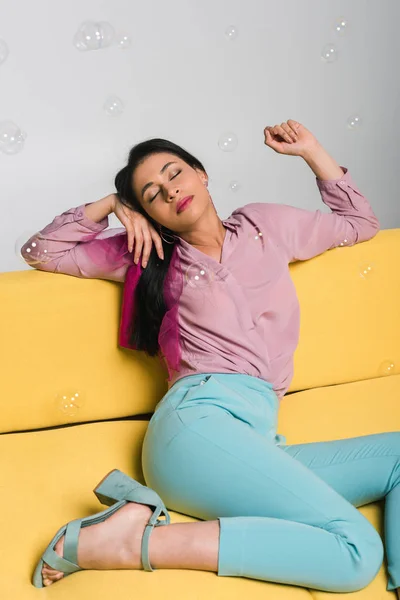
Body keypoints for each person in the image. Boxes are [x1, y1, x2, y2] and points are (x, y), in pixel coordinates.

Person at [26, 121, 400, 596]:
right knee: (356, 554)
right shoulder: (148, 255)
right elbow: (42, 251)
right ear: (149, 213)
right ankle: (124, 542)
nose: (171, 190)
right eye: (153, 193)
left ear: (201, 173)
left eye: (175, 172)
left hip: (255, 438)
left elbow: (360, 223)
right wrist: (114, 205)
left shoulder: (266, 225)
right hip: (195, 428)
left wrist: (311, 152)